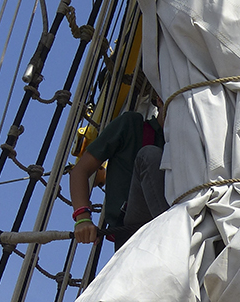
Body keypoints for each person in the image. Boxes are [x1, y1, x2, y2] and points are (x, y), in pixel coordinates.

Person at [70, 96, 167, 249]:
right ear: (160, 99)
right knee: (149, 156)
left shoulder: (188, 142)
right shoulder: (131, 125)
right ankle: (173, 231)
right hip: (132, 226)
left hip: (174, 215)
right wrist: (83, 218)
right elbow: (80, 171)